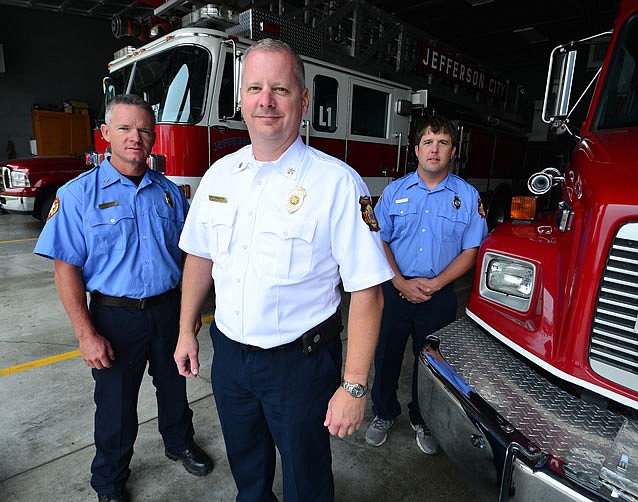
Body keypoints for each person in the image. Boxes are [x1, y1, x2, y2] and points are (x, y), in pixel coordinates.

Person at [174, 38, 394, 501]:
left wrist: (354, 386)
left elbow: (368, 291)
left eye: (280, 88)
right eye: (254, 88)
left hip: (301, 365)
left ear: (304, 100)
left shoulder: (336, 182)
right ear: (241, 100)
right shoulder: (219, 175)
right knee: (247, 470)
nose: (265, 101)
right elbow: (200, 256)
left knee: (306, 479)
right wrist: (185, 330)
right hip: (230, 358)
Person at [33, 94, 213, 502]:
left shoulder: (169, 193)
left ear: (153, 138)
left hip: (168, 310)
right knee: (115, 406)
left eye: (145, 130)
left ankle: (179, 442)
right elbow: (66, 268)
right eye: (126, 128)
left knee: (174, 386)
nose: (136, 137)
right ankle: (110, 480)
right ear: (105, 135)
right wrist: (85, 333)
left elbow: (189, 258)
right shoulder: (79, 194)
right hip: (115, 318)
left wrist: (188, 315)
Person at [364, 115, 488, 454]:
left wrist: (434, 284)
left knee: (432, 364)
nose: (435, 149)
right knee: (386, 357)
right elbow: (379, 242)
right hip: (394, 292)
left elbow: (471, 250)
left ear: (452, 152)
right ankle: (383, 413)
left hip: (439, 297)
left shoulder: (467, 196)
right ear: (416, 150)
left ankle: (424, 419)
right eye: (428, 142)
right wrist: (399, 282)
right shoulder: (394, 192)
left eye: (443, 142)